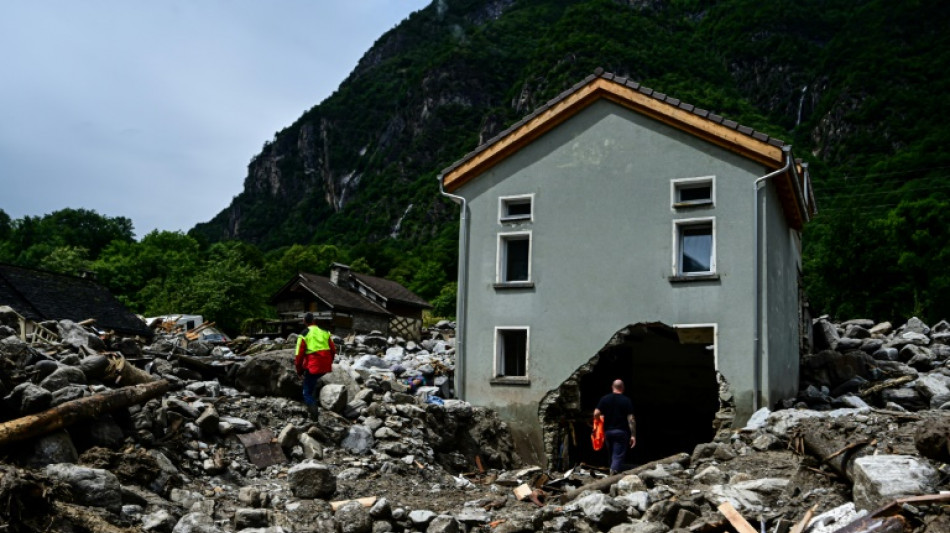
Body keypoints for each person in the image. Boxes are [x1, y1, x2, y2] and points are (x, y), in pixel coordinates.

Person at [295, 313, 336, 420]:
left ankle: (314, 416)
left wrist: (299, 372)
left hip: (314, 366)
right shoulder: (325, 332)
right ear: (314, 321)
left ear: (304, 321)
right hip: (325, 365)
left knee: (306, 392)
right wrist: (329, 362)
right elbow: (333, 350)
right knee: (313, 380)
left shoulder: (303, 334)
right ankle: (314, 398)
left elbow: (298, 356)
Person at [593, 379, 637, 475]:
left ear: (612, 387)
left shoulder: (605, 399)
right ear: (623, 388)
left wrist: (599, 420)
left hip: (608, 432)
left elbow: (596, 413)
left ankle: (612, 471)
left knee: (612, 454)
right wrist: (633, 435)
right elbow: (631, 419)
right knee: (617, 455)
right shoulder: (626, 400)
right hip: (621, 432)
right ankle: (613, 474)